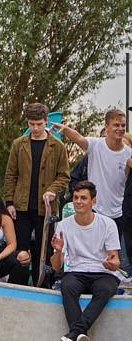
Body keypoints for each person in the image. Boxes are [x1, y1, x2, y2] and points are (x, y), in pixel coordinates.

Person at [53, 109, 132, 270]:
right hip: (96, 210)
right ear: (107, 127)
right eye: (116, 125)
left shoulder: (128, 153)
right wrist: (65, 130)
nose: (120, 128)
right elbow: (79, 139)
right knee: (94, 253)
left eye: (123, 125)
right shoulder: (96, 145)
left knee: (117, 259)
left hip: (118, 213)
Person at [52, 181, 122, 341]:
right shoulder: (63, 226)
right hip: (77, 271)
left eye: (83, 198)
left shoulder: (108, 224)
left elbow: (116, 261)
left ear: (94, 201)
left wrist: (111, 263)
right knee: (67, 286)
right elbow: (56, 266)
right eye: (75, 198)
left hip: (102, 272)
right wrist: (58, 251)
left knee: (106, 288)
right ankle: (80, 337)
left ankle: (75, 333)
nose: (78, 201)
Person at [4, 103, 70, 283]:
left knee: (44, 252)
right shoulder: (19, 145)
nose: (35, 128)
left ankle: (43, 287)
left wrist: (52, 190)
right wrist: (9, 202)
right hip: (21, 206)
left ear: (46, 121)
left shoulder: (58, 146)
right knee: (21, 252)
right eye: (31, 124)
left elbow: (64, 176)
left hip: (46, 210)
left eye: (39, 124)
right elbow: (11, 174)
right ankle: (18, 287)